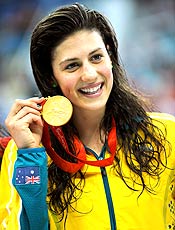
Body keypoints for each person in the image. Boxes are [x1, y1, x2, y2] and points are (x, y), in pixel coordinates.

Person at [0, 3, 174, 230]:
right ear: (51, 77)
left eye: (96, 57)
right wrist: (31, 157)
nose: (90, 74)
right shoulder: (25, 152)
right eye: (72, 66)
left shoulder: (165, 134)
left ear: (110, 57)